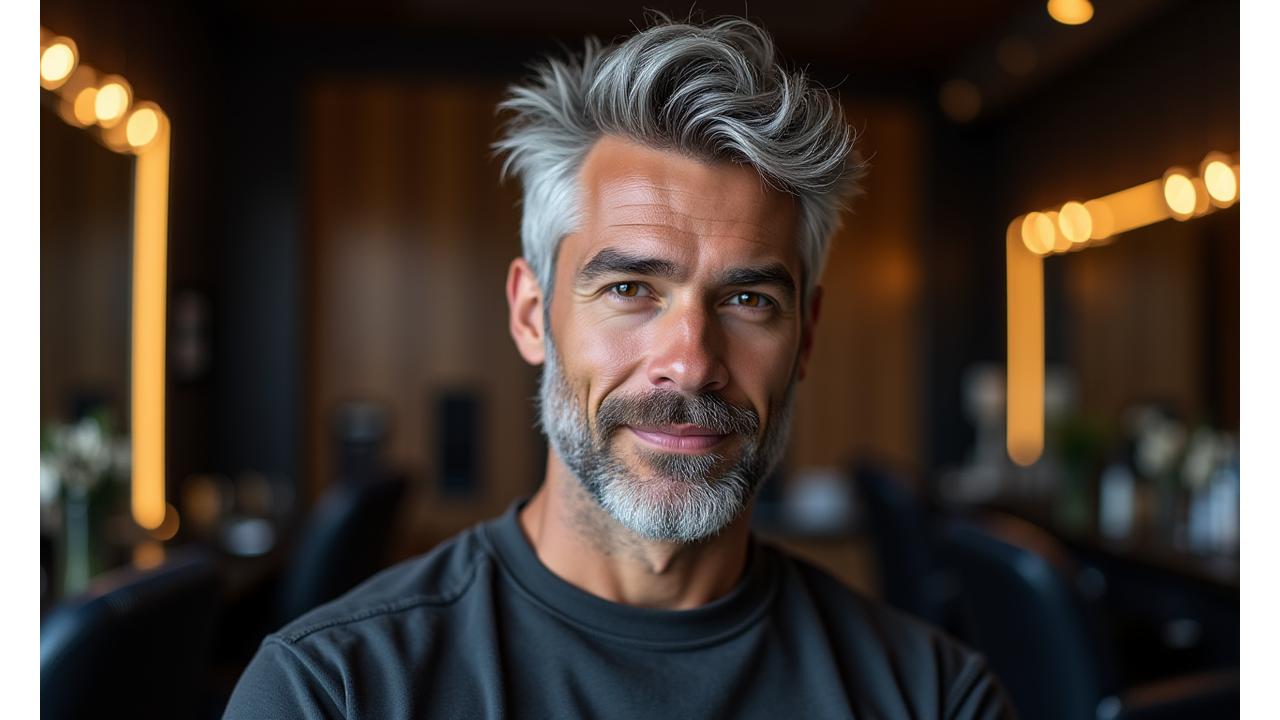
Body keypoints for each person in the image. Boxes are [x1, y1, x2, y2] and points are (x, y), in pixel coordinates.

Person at [224, 15, 1014, 719]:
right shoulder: (329, 692)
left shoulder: (937, 697)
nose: (691, 363)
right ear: (533, 314)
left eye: (748, 300)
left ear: (805, 336)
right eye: (631, 288)